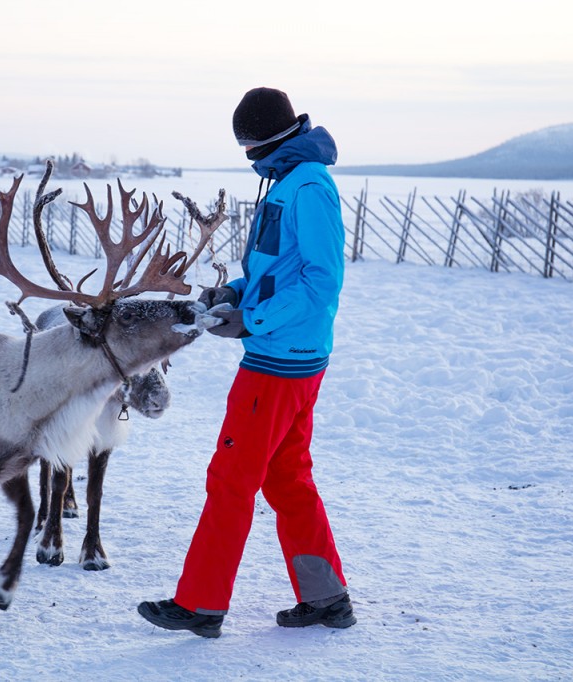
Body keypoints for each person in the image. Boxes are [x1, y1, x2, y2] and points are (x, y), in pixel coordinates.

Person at [137, 87, 354, 639]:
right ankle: (327, 599)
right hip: (291, 356)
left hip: (278, 364)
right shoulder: (290, 179)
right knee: (288, 482)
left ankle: (200, 605)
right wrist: (230, 295)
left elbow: (321, 282)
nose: (249, 158)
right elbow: (277, 270)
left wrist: (253, 320)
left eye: (250, 146)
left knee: (231, 479)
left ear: (270, 139)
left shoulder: (308, 188)